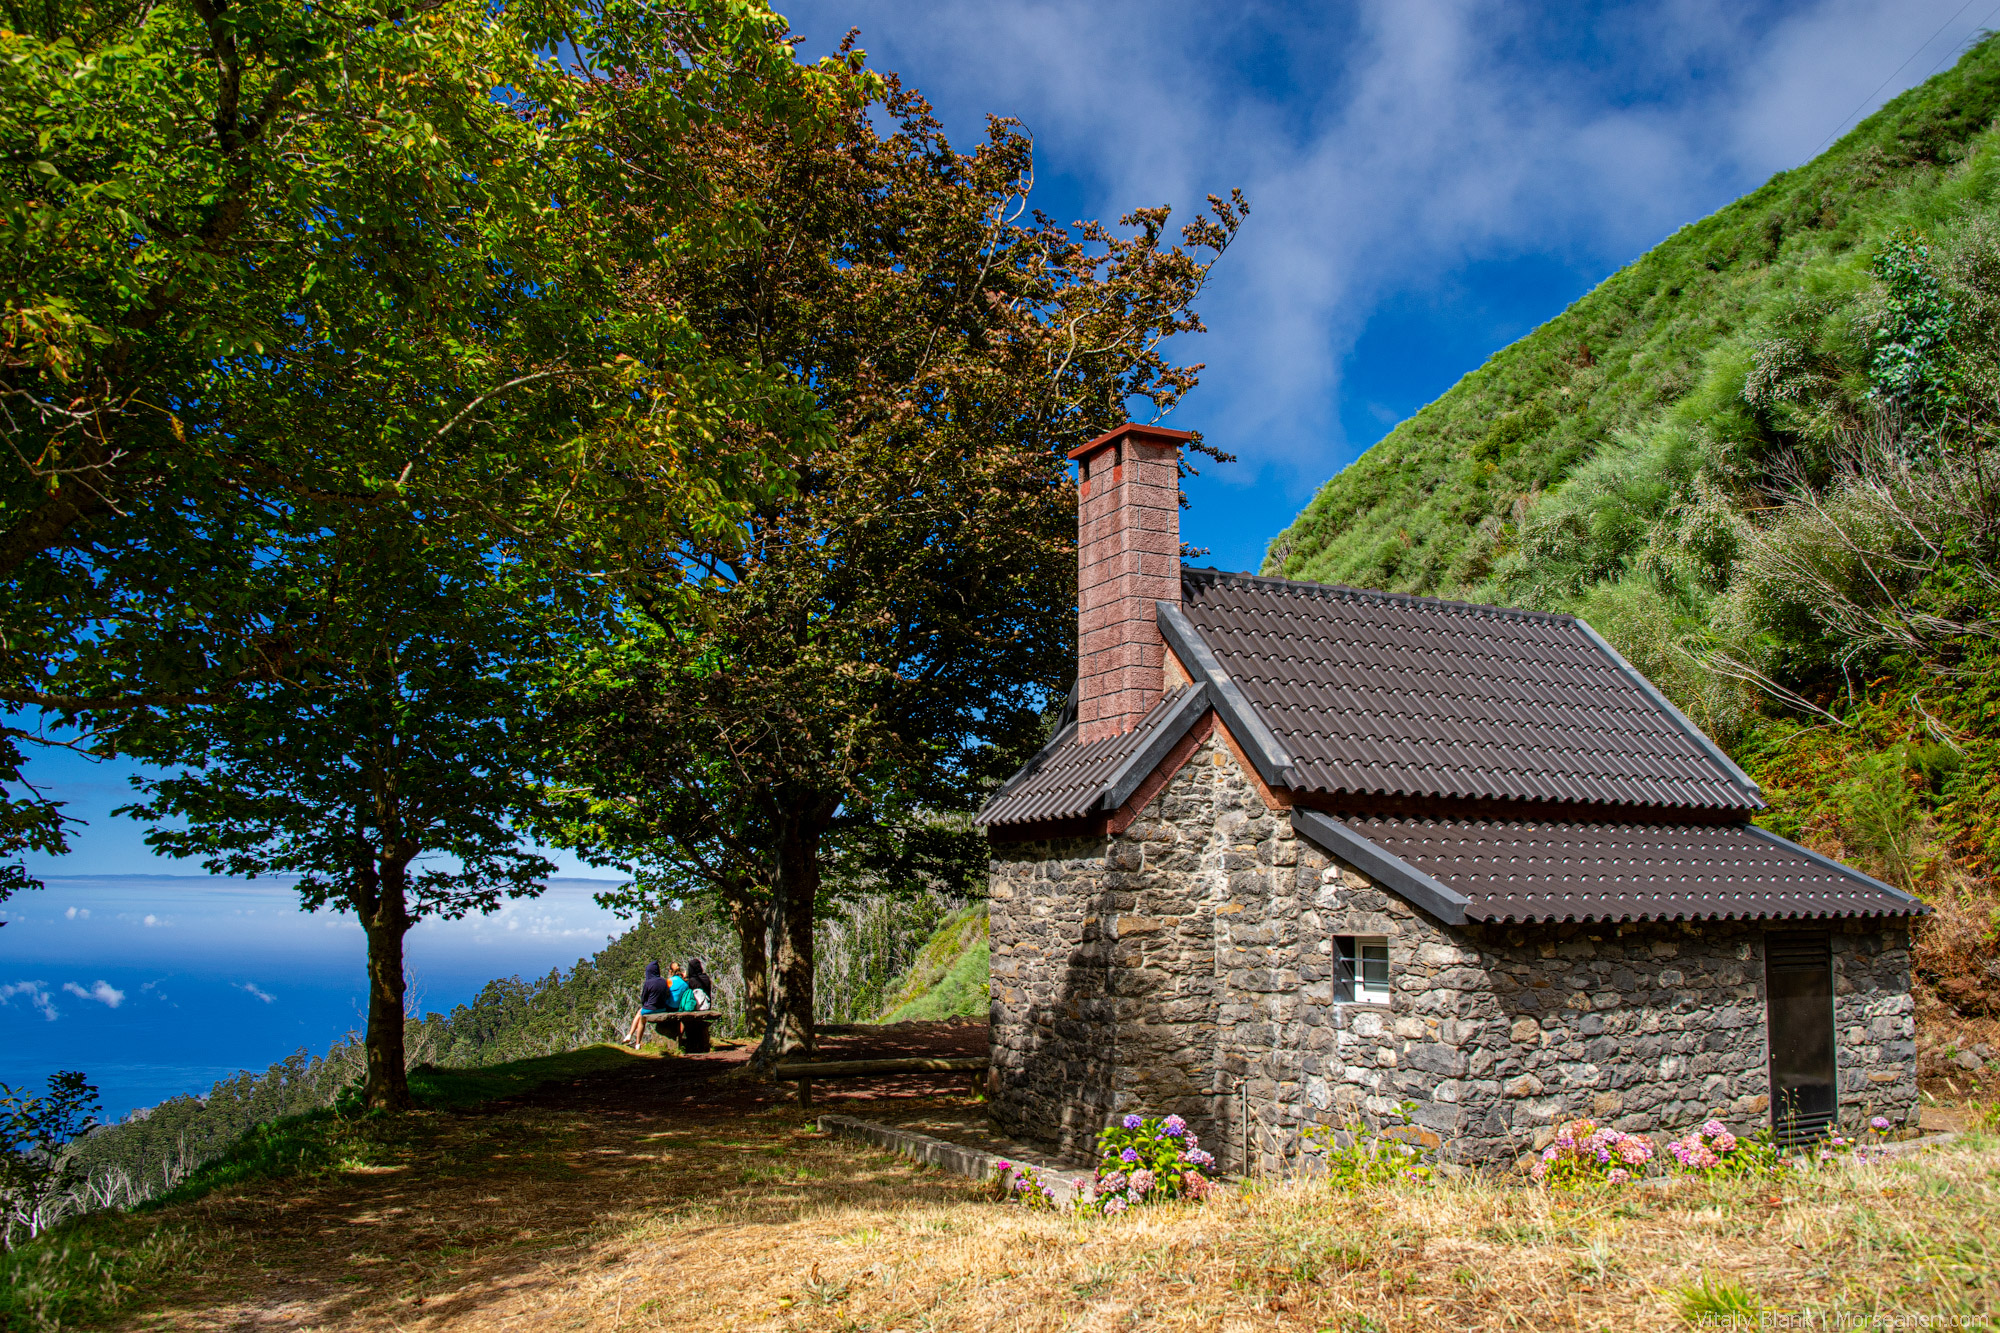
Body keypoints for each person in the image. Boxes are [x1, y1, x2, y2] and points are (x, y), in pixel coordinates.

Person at [624, 960, 675, 1046]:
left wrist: (646, 1005)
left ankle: (635, 1042)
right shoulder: (664, 981)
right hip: (662, 1009)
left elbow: (643, 998)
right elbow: (667, 995)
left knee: (641, 1017)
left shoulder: (648, 983)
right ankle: (631, 1037)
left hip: (650, 1009)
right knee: (641, 1012)